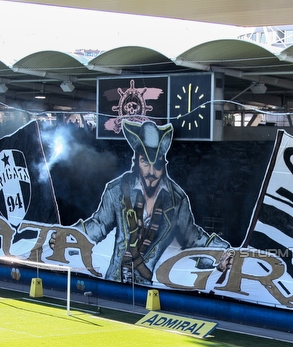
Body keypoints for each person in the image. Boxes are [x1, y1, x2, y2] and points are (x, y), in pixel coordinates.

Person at [79, 119, 232, 283]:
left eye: (157, 164)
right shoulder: (115, 191)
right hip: (114, 282)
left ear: (164, 164)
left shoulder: (177, 200)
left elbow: (193, 238)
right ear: (137, 161)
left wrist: (222, 254)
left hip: (148, 286)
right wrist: (66, 238)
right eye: (145, 162)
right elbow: (98, 225)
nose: (151, 172)